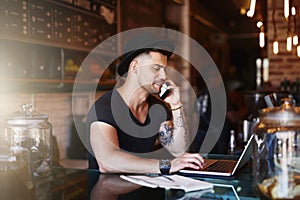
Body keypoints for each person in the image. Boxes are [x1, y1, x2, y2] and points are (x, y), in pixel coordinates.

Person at [87, 32, 204, 174]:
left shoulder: (157, 107)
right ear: (135, 67)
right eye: (156, 68)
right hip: (109, 192)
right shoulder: (104, 107)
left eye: (164, 70)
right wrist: (165, 165)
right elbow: (107, 162)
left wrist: (176, 105)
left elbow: (178, 150)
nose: (163, 76)